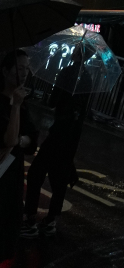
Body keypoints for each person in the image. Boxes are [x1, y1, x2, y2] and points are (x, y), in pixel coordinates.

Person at [21, 88, 87, 237]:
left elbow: (53, 102)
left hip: (57, 137)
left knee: (35, 175)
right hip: (70, 140)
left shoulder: (67, 78)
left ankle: (30, 220)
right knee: (59, 182)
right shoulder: (86, 82)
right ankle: (50, 221)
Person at [0, 50, 37, 262]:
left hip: (13, 174)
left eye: (27, 69)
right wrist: (15, 106)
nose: (24, 74)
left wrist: (21, 140)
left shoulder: (22, 102)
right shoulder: (8, 102)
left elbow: (32, 138)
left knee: (10, 222)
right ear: (5, 71)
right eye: (19, 68)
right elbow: (9, 140)